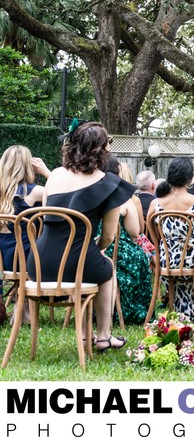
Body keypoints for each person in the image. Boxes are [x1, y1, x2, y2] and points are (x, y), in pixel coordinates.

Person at [28, 122, 132, 351]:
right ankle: (103, 336)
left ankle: (87, 336)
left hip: (37, 264)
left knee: (88, 261)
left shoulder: (54, 175)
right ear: (101, 150)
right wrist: (95, 246)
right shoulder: (110, 184)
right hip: (77, 262)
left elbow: (47, 217)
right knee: (105, 268)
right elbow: (108, 236)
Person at [152, 157, 194, 320]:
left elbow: (154, 238)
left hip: (167, 262)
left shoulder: (156, 204)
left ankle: (180, 310)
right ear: (189, 178)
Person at [103, 156, 151, 324]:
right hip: (117, 252)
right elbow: (135, 232)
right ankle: (130, 310)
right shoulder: (124, 198)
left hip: (89, 251)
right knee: (140, 258)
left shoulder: (83, 192)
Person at [0, 145, 48, 275]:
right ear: (28, 166)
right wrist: (47, 173)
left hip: (1, 262)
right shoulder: (35, 192)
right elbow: (63, 195)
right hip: (24, 261)